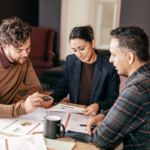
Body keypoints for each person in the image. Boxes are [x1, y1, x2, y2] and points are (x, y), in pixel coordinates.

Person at [86, 26, 150, 149]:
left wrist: (103, 126)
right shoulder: (145, 80)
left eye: (113, 55)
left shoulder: (136, 89)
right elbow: (131, 108)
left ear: (129, 57)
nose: (110, 60)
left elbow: (101, 139)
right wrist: (104, 115)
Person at [49, 26, 120, 116]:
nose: (78, 54)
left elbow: (113, 99)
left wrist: (98, 106)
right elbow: (62, 88)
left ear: (92, 43)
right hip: (75, 114)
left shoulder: (109, 66)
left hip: (97, 116)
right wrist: (51, 98)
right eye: (75, 50)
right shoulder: (70, 60)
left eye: (82, 48)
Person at [0, 17, 53, 118]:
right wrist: (22, 108)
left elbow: (35, 87)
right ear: (5, 46)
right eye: (19, 50)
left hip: (8, 116)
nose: (25, 54)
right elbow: (20, 109)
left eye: (28, 48)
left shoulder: (24, 60)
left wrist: (24, 101)